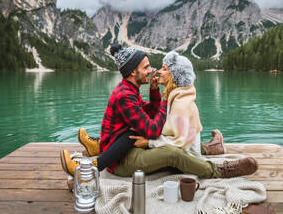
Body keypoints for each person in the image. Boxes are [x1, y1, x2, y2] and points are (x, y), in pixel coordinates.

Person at [61, 48, 258, 178]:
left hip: (127, 148)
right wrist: (163, 98)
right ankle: (219, 171)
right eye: (146, 67)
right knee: (172, 153)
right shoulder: (125, 95)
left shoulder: (130, 90)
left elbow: (148, 115)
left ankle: (210, 150)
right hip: (121, 161)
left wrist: (155, 92)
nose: (151, 71)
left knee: (172, 150)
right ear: (132, 72)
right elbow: (152, 129)